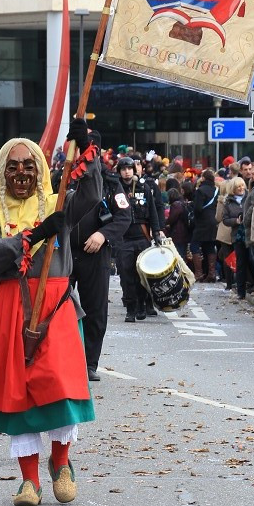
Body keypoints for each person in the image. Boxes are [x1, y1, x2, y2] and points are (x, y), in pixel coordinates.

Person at [0, 121, 101, 506]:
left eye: (29, 166)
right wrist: (32, 236)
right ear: (2, 174)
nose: (21, 174)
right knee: (20, 392)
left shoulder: (60, 203)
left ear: (41, 170)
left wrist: (86, 147)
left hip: (57, 306)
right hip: (13, 309)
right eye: (12, 167)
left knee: (59, 385)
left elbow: (94, 194)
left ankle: (61, 464)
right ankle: (29, 479)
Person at [68, 133, 130, 380]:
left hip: (96, 255)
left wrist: (103, 235)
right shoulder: (62, 178)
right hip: (65, 253)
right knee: (57, 308)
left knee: (95, 310)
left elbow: (124, 218)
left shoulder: (111, 182)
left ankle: (88, 363)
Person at [115, 157, 163, 321]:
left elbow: (153, 212)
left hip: (142, 237)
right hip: (123, 239)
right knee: (126, 275)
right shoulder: (115, 189)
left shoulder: (144, 187)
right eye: (123, 169)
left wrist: (156, 232)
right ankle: (130, 308)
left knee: (143, 275)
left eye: (129, 168)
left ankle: (143, 305)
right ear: (119, 171)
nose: (126, 171)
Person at [191, 169, 219, 282]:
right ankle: (211, 273)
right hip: (213, 220)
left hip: (202, 221)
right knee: (210, 246)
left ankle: (199, 273)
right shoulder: (216, 190)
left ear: (203, 178)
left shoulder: (200, 191)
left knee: (195, 245)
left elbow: (197, 208)